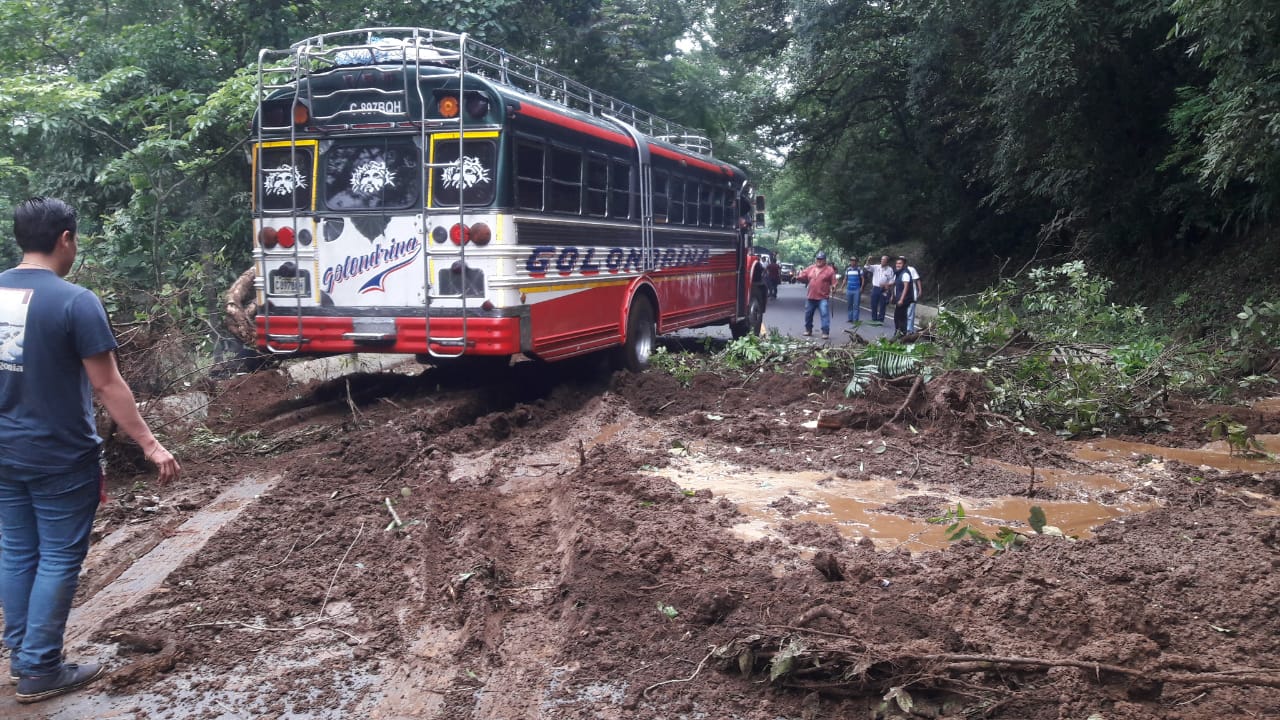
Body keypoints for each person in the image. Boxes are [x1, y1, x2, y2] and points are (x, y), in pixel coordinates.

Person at [0, 197, 180, 704]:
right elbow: (107, 385)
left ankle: (23, 656)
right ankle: (39, 668)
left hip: (4, 451)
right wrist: (150, 443)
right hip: (59, 454)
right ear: (65, 238)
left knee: (16, 551)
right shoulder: (75, 301)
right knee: (57, 556)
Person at [796, 250, 837, 339]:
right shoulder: (811, 268)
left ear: (825, 260)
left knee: (824, 314)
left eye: (821, 259)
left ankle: (825, 332)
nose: (819, 260)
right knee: (808, 314)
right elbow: (803, 276)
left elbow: (834, 282)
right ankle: (808, 330)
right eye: (818, 258)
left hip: (822, 297)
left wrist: (834, 287)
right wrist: (797, 276)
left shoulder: (829, 270)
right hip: (811, 296)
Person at [891, 255, 916, 338]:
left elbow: (906, 287)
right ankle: (899, 334)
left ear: (904, 264)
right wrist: (892, 296)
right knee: (898, 317)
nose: (898, 265)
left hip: (904, 300)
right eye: (897, 263)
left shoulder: (905, 274)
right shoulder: (898, 273)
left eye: (900, 263)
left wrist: (901, 300)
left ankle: (901, 335)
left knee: (900, 317)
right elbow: (895, 285)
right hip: (899, 299)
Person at [869, 255, 895, 325]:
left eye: (884, 260)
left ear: (887, 261)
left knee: (883, 305)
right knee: (873, 304)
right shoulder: (876, 267)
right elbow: (867, 266)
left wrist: (888, 285)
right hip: (875, 287)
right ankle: (874, 319)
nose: (882, 261)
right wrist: (868, 260)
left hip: (884, 289)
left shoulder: (890, 269)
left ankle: (880, 320)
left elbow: (892, 280)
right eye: (882, 259)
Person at [844, 256, 863, 323]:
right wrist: (842, 287)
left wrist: (861, 287)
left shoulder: (859, 269)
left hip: (856, 290)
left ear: (856, 262)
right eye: (851, 260)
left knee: (856, 305)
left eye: (854, 260)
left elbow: (863, 279)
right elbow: (845, 279)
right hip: (849, 289)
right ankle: (850, 318)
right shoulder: (848, 269)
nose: (853, 262)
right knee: (849, 305)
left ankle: (855, 319)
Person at [905, 262, 923, 332]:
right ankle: (903, 329)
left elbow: (917, 279)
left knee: (910, 313)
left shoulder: (911, 269)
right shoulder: (899, 270)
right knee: (904, 313)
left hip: (912, 295)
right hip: (902, 295)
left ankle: (909, 330)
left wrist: (920, 290)